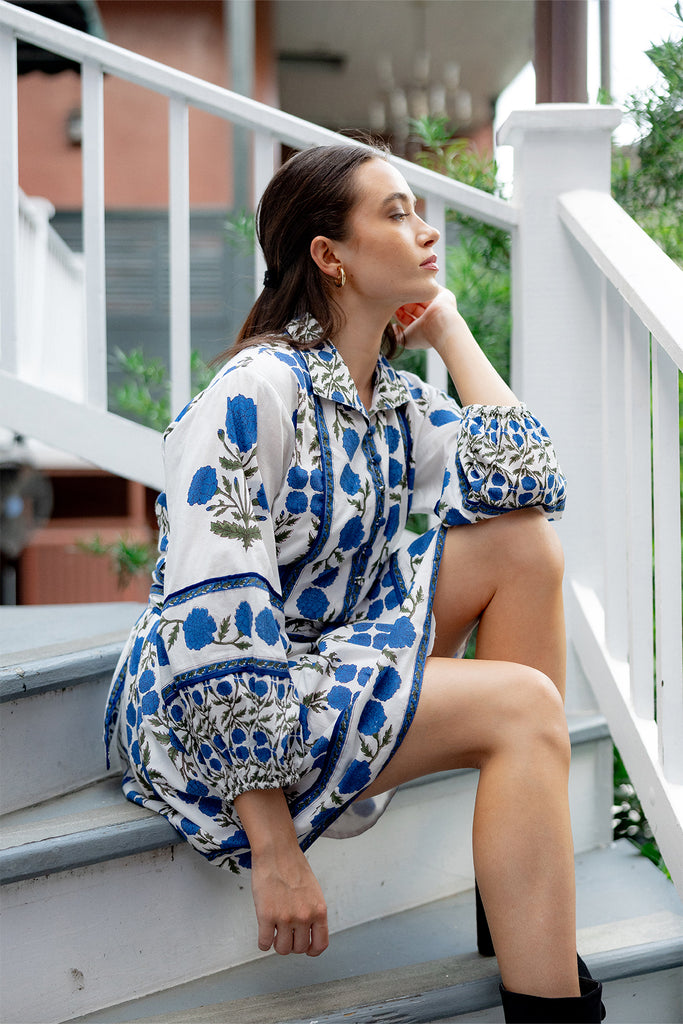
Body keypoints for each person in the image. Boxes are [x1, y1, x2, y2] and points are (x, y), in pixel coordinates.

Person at [104, 144, 604, 1023]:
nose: (426, 231)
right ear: (329, 256)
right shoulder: (256, 391)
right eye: (397, 213)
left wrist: (449, 330)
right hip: (214, 718)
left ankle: (522, 912)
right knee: (523, 704)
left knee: (522, 546)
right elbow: (216, 618)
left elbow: (528, 484)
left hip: (329, 659)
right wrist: (273, 848)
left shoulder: (389, 400)